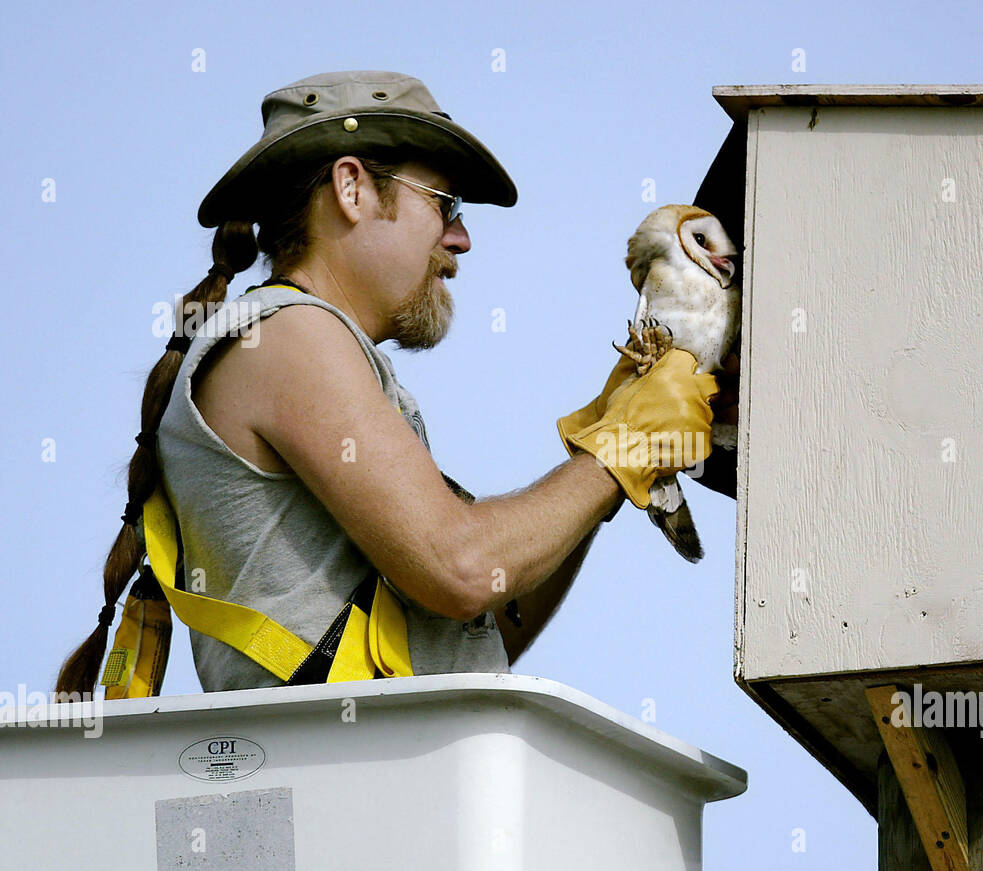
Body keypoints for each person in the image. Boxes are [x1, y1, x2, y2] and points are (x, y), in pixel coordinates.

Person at [56, 70, 721, 694]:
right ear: (352, 189)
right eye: (446, 204)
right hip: (338, 790)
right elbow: (461, 570)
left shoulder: (311, 349)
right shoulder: (287, 336)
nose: (460, 239)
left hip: (373, 786)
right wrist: (621, 450)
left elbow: (481, 623)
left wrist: (601, 456)